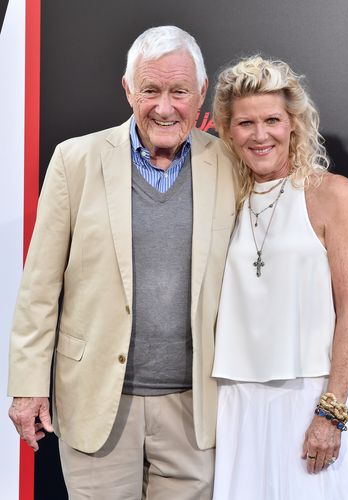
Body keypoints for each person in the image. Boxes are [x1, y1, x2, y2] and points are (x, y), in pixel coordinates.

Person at [7, 26, 237, 500]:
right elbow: (40, 287)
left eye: (179, 91)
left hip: (195, 408)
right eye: (150, 90)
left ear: (201, 92)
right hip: (98, 403)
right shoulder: (75, 160)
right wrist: (28, 386)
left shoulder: (230, 163)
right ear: (128, 90)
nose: (165, 107)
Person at [211, 55, 348, 499]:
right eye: (246, 123)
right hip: (235, 403)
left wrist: (331, 411)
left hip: (311, 402)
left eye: (272, 120)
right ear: (227, 130)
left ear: (294, 124)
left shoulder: (331, 194)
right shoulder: (220, 199)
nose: (260, 135)